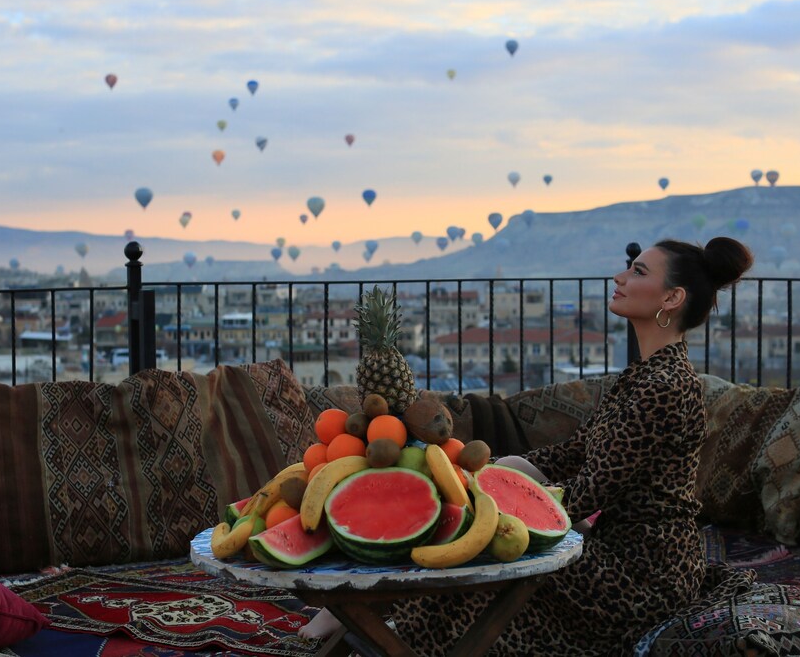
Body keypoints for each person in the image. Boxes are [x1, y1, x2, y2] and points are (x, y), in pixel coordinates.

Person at [301, 236, 754, 656]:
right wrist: (500, 468)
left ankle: (364, 623)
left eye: (637, 272)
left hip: (637, 576)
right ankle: (377, 628)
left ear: (672, 299)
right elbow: (574, 451)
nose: (620, 278)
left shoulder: (665, 385)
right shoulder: (644, 375)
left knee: (462, 540)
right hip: (615, 556)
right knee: (464, 528)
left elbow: (590, 492)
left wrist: (488, 500)